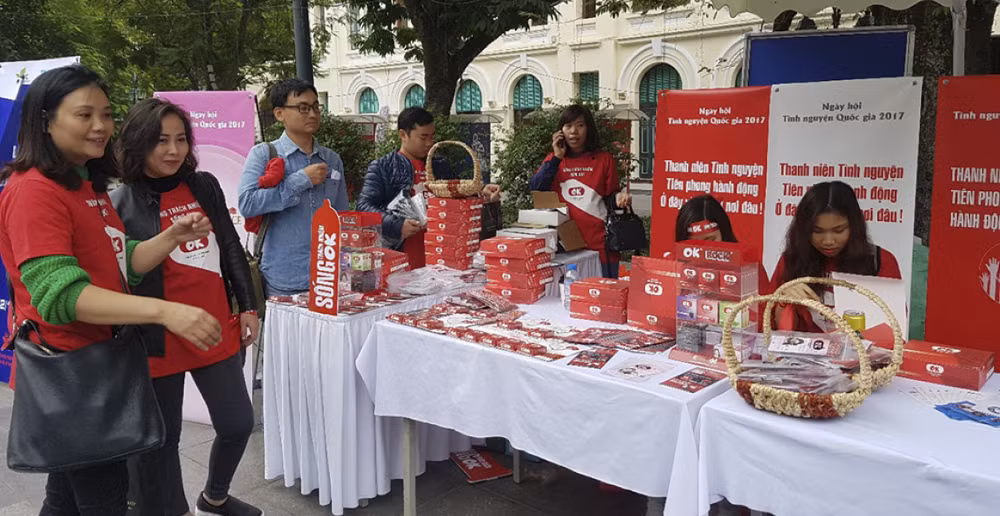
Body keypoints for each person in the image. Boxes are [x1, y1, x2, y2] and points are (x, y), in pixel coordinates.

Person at [0, 65, 221, 516]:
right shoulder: (34, 191)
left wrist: (170, 238)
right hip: (72, 374)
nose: (100, 126)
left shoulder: (86, 185)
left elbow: (120, 264)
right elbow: (59, 296)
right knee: (104, 497)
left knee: (64, 497)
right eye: (84, 115)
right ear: (46, 120)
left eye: (105, 114)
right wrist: (164, 312)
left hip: (100, 366)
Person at [112, 99, 260, 516]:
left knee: (237, 423)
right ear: (138, 143)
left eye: (180, 140)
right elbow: (124, 275)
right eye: (161, 141)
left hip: (212, 326)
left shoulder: (203, 185)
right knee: (161, 443)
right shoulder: (120, 202)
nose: (173, 151)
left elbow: (230, 245)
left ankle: (215, 496)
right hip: (157, 338)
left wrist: (247, 305)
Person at [238, 78, 348, 296]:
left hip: (330, 276)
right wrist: (300, 180)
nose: (313, 114)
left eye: (316, 106)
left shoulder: (331, 159)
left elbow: (342, 215)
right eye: (303, 108)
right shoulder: (263, 154)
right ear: (280, 114)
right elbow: (247, 203)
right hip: (284, 278)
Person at [357, 106, 501, 266]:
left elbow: (458, 193)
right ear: (403, 135)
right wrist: (396, 225)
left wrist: (481, 192)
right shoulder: (383, 167)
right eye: (423, 137)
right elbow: (363, 207)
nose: (429, 143)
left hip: (444, 253)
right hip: (402, 254)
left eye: (432, 137)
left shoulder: (440, 165)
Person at [768, 181, 901, 332]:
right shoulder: (792, 260)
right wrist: (783, 299)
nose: (828, 241)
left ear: (854, 226)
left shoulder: (880, 261)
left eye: (838, 231)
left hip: (862, 354)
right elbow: (769, 328)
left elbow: (894, 328)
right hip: (801, 354)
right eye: (817, 231)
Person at [529, 104, 631, 278]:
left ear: (588, 129)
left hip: (600, 246)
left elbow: (610, 197)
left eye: (580, 125)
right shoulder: (553, 161)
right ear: (560, 131)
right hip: (564, 245)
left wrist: (619, 198)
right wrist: (556, 157)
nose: (573, 131)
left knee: (602, 298)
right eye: (568, 126)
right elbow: (535, 188)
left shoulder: (604, 160)